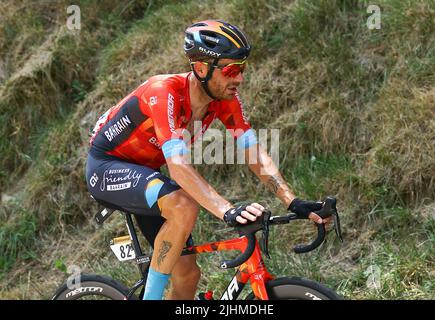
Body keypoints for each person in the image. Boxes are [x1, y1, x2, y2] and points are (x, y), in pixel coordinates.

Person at [85, 19, 329, 300]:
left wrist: (292, 200)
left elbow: (254, 152)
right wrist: (227, 210)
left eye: (242, 69)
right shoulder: (163, 92)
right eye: (231, 70)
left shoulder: (225, 99)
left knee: (188, 275)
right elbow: (178, 168)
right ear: (201, 68)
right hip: (106, 167)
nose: (239, 79)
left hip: (147, 172)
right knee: (183, 203)